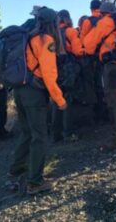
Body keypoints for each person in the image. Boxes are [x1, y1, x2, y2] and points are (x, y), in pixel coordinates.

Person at [8, 7, 66, 195]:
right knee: (39, 136)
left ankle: (17, 169)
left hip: (20, 90)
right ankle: (35, 182)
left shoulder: (27, 38)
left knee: (27, 132)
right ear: (52, 23)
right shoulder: (46, 40)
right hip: (34, 94)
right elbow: (49, 75)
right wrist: (59, 99)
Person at [82, 2, 116, 153]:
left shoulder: (106, 21)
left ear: (103, 12)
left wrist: (91, 51)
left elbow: (88, 43)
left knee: (114, 100)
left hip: (112, 65)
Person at [51, 10, 81, 143]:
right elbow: (77, 51)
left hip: (54, 70)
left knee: (56, 100)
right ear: (68, 19)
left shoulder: (52, 34)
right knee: (67, 100)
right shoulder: (71, 32)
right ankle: (68, 133)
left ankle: (55, 134)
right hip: (68, 70)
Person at [80, 0, 108, 124]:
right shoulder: (105, 20)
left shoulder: (87, 21)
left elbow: (83, 39)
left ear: (91, 8)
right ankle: (106, 111)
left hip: (91, 58)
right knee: (104, 83)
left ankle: (96, 113)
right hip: (106, 56)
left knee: (92, 84)